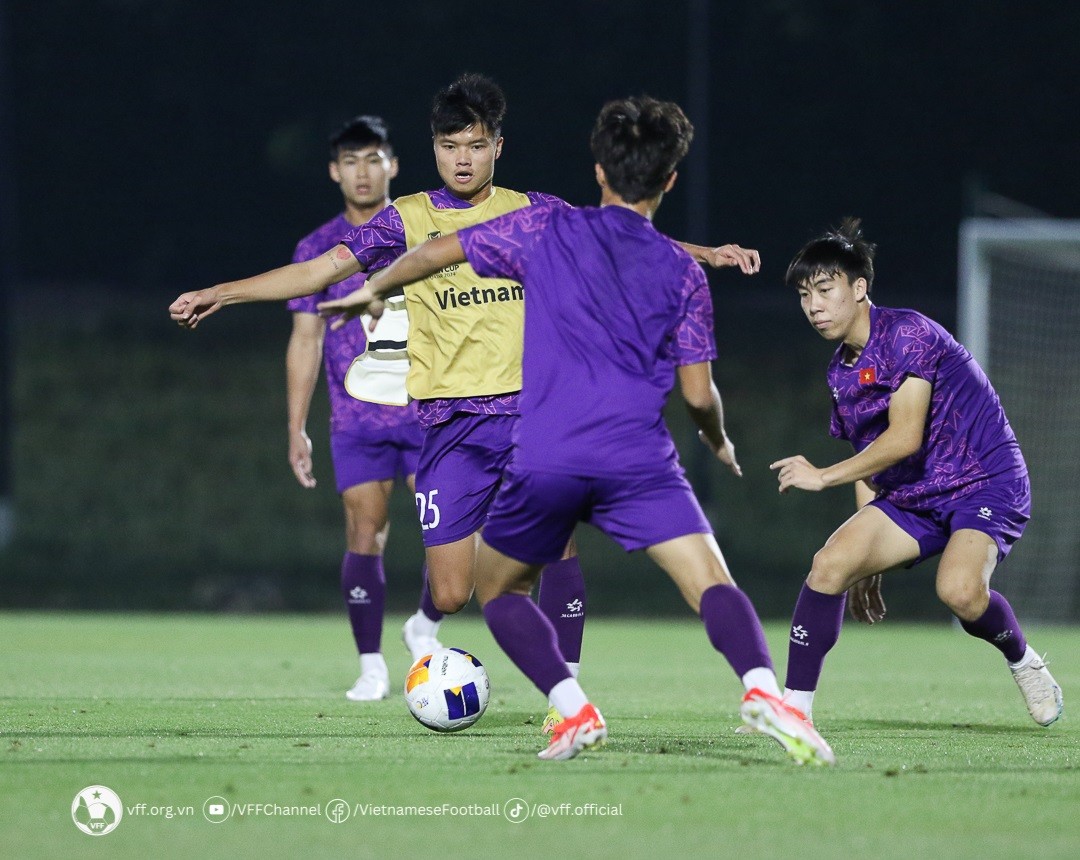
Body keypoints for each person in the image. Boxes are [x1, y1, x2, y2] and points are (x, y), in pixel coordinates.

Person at [169, 74, 756, 733]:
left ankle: (568, 698)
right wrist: (223, 290)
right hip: (449, 424)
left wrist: (705, 253)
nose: (463, 159)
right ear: (434, 149)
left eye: (476, 145)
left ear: (497, 146)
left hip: (533, 415)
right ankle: (432, 626)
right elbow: (319, 271)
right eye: (451, 146)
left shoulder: (532, 210)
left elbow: (621, 234)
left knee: (556, 554)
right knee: (452, 591)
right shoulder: (407, 219)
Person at [318, 96, 836, 765]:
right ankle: (764, 691)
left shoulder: (545, 230)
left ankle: (573, 709)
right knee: (711, 582)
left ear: (598, 171)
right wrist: (716, 438)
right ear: (670, 181)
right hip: (639, 457)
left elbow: (438, 251)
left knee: (499, 590)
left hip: (548, 453)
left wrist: (372, 287)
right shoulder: (682, 271)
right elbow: (699, 394)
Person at [770, 217, 1063, 728]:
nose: (813, 306)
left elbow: (903, 437)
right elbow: (873, 456)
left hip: (983, 480)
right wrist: (869, 555)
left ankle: (1023, 661)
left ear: (859, 288)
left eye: (824, 289)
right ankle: (794, 712)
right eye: (803, 295)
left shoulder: (906, 333)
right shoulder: (841, 370)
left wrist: (822, 476)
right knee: (830, 565)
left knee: (959, 592)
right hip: (915, 493)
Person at [284, 115, 442, 702]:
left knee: (452, 536)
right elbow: (305, 338)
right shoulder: (317, 250)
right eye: (351, 160)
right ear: (334, 171)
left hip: (429, 412)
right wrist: (296, 426)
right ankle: (373, 665)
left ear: (393, 166)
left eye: (373, 158)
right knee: (364, 532)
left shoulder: (422, 234)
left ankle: (424, 624)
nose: (362, 171)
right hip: (358, 421)